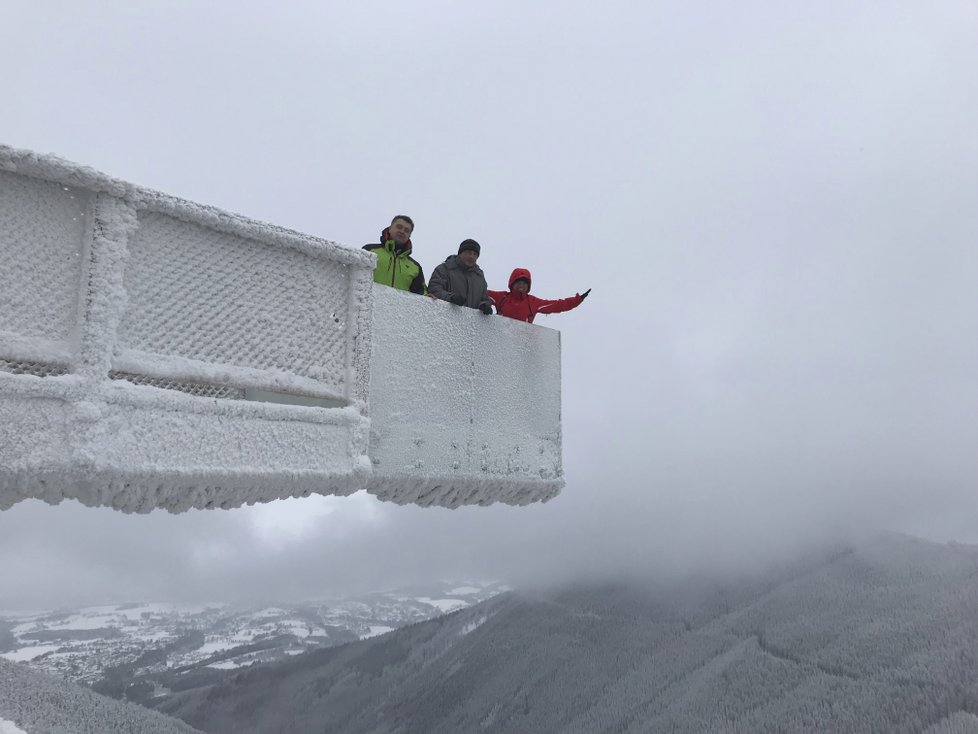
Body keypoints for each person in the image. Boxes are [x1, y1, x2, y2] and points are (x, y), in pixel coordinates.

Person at [488, 268, 590, 323]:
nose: (521, 285)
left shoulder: (533, 302)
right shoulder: (502, 297)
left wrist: (577, 300)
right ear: (512, 283)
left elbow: (556, 305)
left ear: (528, 286)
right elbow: (481, 292)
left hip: (521, 345)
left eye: (524, 283)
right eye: (518, 282)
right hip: (500, 341)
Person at [363, 215, 426, 294]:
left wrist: (429, 298)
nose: (402, 231)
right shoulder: (370, 251)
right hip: (369, 305)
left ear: (409, 235)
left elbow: (421, 294)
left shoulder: (415, 267)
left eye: (406, 230)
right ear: (390, 228)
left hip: (399, 306)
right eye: (399, 227)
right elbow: (355, 277)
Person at [427, 239, 493, 314]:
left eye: (475, 254)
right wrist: (451, 298)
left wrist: (485, 305)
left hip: (471, 323)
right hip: (445, 318)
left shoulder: (479, 277)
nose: (471, 256)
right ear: (460, 253)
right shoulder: (444, 269)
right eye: (468, 253)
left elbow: (485, 297)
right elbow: (434, 290)